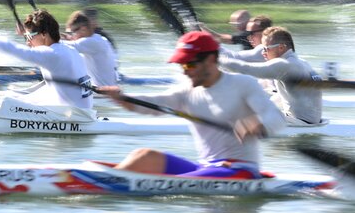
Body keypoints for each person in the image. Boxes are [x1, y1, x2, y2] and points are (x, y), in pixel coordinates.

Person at [98, 31, 286, 177]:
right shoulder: (187, 90)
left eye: (189, 65)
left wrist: (259, 125)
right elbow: (152, 104)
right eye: (182, 65)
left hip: (240, 170)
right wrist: (121, 98)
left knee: (186, 177)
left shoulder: (243, 84)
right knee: (144, 155)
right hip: (205, 167)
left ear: (211, 60)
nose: (185, 71)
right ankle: (108, 182)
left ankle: (105, 183)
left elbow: (275, 117)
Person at [0, 9, 93, 111]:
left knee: (6, 104)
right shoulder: (66, 48)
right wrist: (27, 33)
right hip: (83, 110)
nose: (28, 40)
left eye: (30, 36)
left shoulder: (50, 54)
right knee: (14, 94)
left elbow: (11, 48)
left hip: (73, 117)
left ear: (44, 34)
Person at [218, 27, 322, 125]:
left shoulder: (284, 65)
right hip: (312, 122)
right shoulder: (304, 63)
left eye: (266, 48)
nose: (263, 53)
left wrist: (215, 60)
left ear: (281, 47)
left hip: (299, 123)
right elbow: (286, 97)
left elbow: (247, 69)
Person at [63, 10, 118, 87]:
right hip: (101, 91)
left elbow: (64, 46)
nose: (72, 36)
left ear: (83, 29)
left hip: (102, 94)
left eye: (72, 32)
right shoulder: (98, 39)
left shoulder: (92, 42)